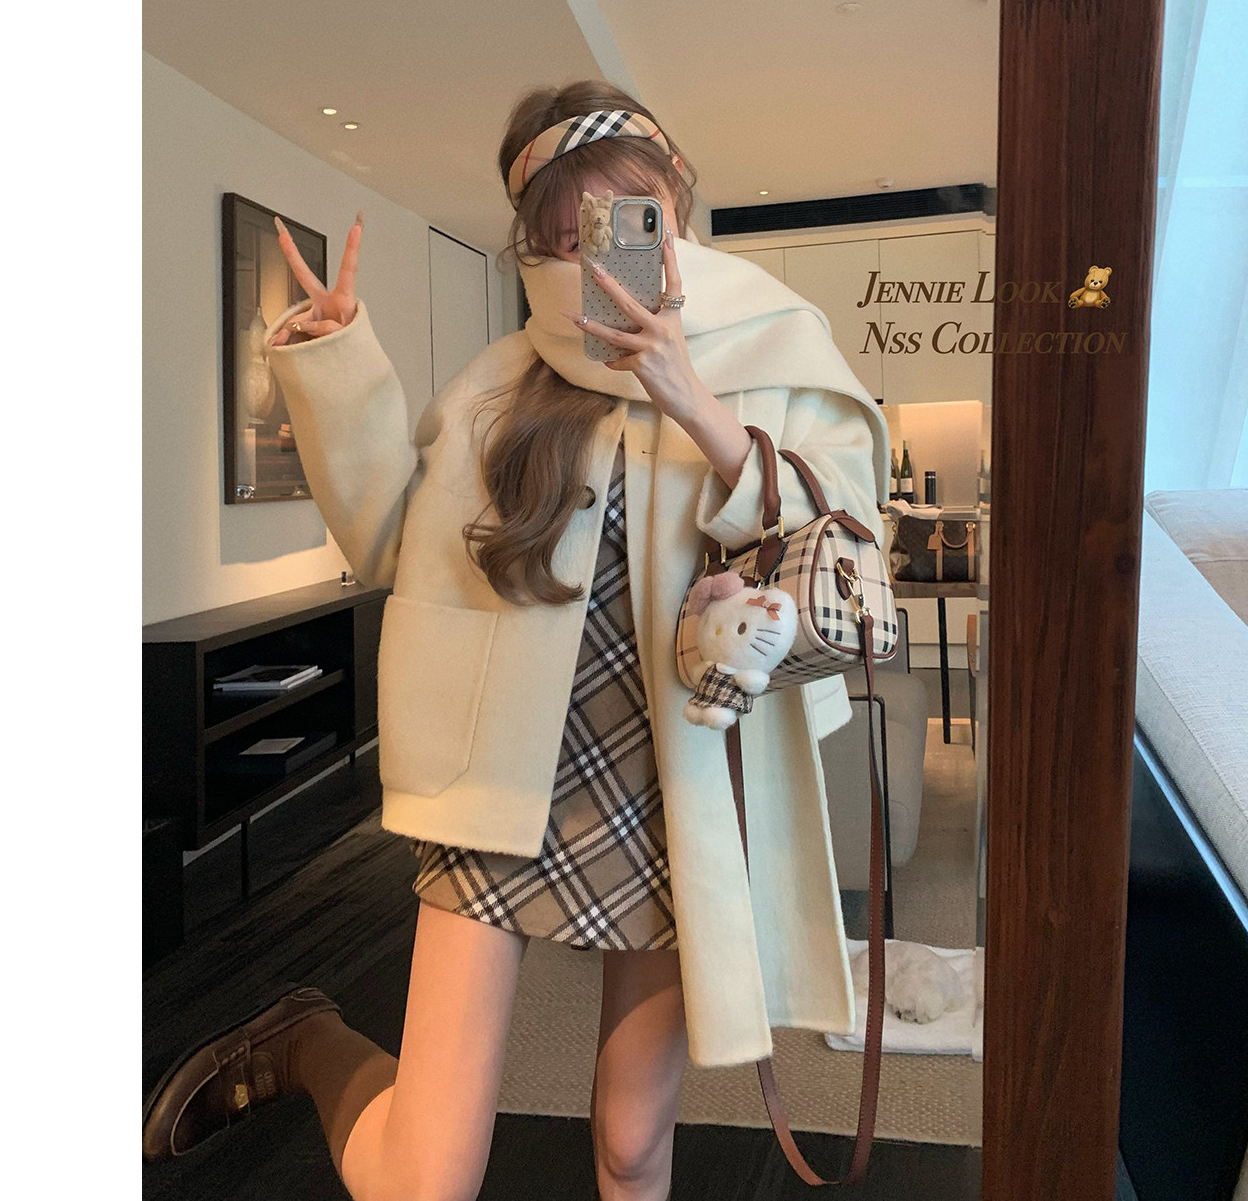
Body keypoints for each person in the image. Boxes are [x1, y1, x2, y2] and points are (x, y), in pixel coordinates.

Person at [142, 81, 890, 1201]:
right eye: (564, 235)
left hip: (681, 786)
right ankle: (304, 1043)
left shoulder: (780, 346)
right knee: (426, 1178)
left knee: (633, 1146)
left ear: (673, 204)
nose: (598, 258)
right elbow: (391, 543)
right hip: (501, 776)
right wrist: (338, 369)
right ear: (532, 244)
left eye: (625, 217)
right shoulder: (500, 385)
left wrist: (693, 401)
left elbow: (848, 543)